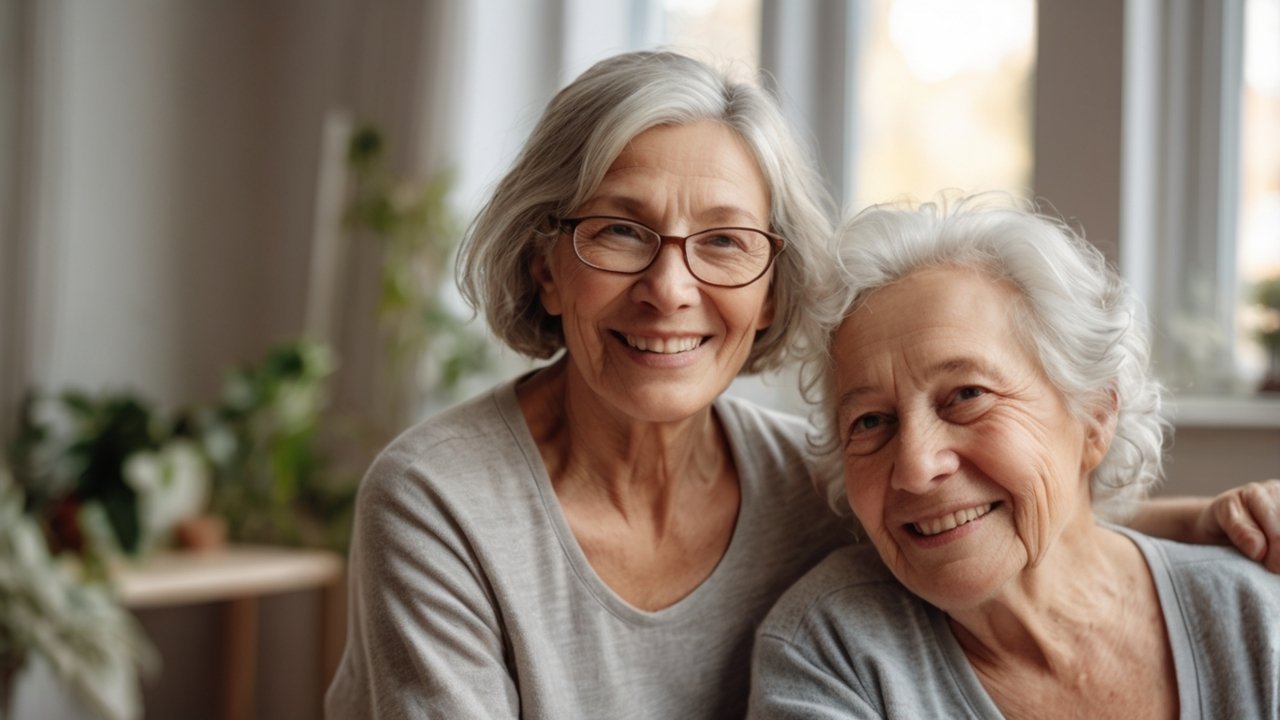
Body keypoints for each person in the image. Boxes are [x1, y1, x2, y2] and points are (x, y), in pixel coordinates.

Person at [326, 53, 1278, 719]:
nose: (670, 289)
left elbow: (988, 511)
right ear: (545, 267)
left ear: (772, 288)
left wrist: (1205, 525)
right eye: (619, 231)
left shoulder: (821, 477)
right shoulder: (440, 499)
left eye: (724, 241)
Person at [748, 196, 1280, 719]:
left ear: (1096, 414)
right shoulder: (832, 655)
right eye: (870, 422)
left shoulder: (1255, 615)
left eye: (967, 395)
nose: (915, 466)